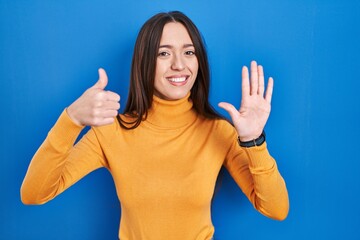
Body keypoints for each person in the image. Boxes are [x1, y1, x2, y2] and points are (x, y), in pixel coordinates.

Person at [21, 11, 289, 240]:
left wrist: (254, 141)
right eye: (164, 53)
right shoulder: (110, 131)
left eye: (188, 52)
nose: (179, 65)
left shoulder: (219, 131)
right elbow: (35, 193)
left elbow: (276, 209)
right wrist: (71, 120)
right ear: (145, 61)